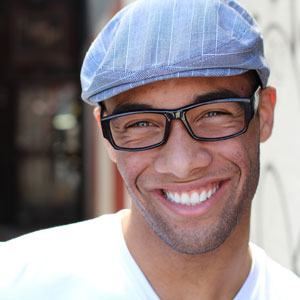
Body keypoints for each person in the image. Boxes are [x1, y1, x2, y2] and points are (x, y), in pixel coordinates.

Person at [1, 0, 299, 299]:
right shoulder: (16, 282)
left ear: (265, 115)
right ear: (106, 136)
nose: (182, 164)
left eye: (213, 114)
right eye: (141, 124)